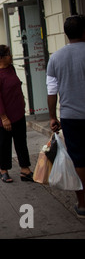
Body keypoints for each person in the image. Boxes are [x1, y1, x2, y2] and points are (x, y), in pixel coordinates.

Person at [46, 14, 85, 218]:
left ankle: (82, 203)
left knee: (78, 159)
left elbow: (52, 92)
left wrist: (53, 117)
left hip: (70, 116)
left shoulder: (56, 57)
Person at [0, 45, 33, 183]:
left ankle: (25, 170)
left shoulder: (10, 69)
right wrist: (3, 117)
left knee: (21, 141)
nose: (10, 56)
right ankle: (4, 170)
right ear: (1, 58)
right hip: (4, 117)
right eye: (8, 54)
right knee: (4, 143)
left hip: (17, 113)